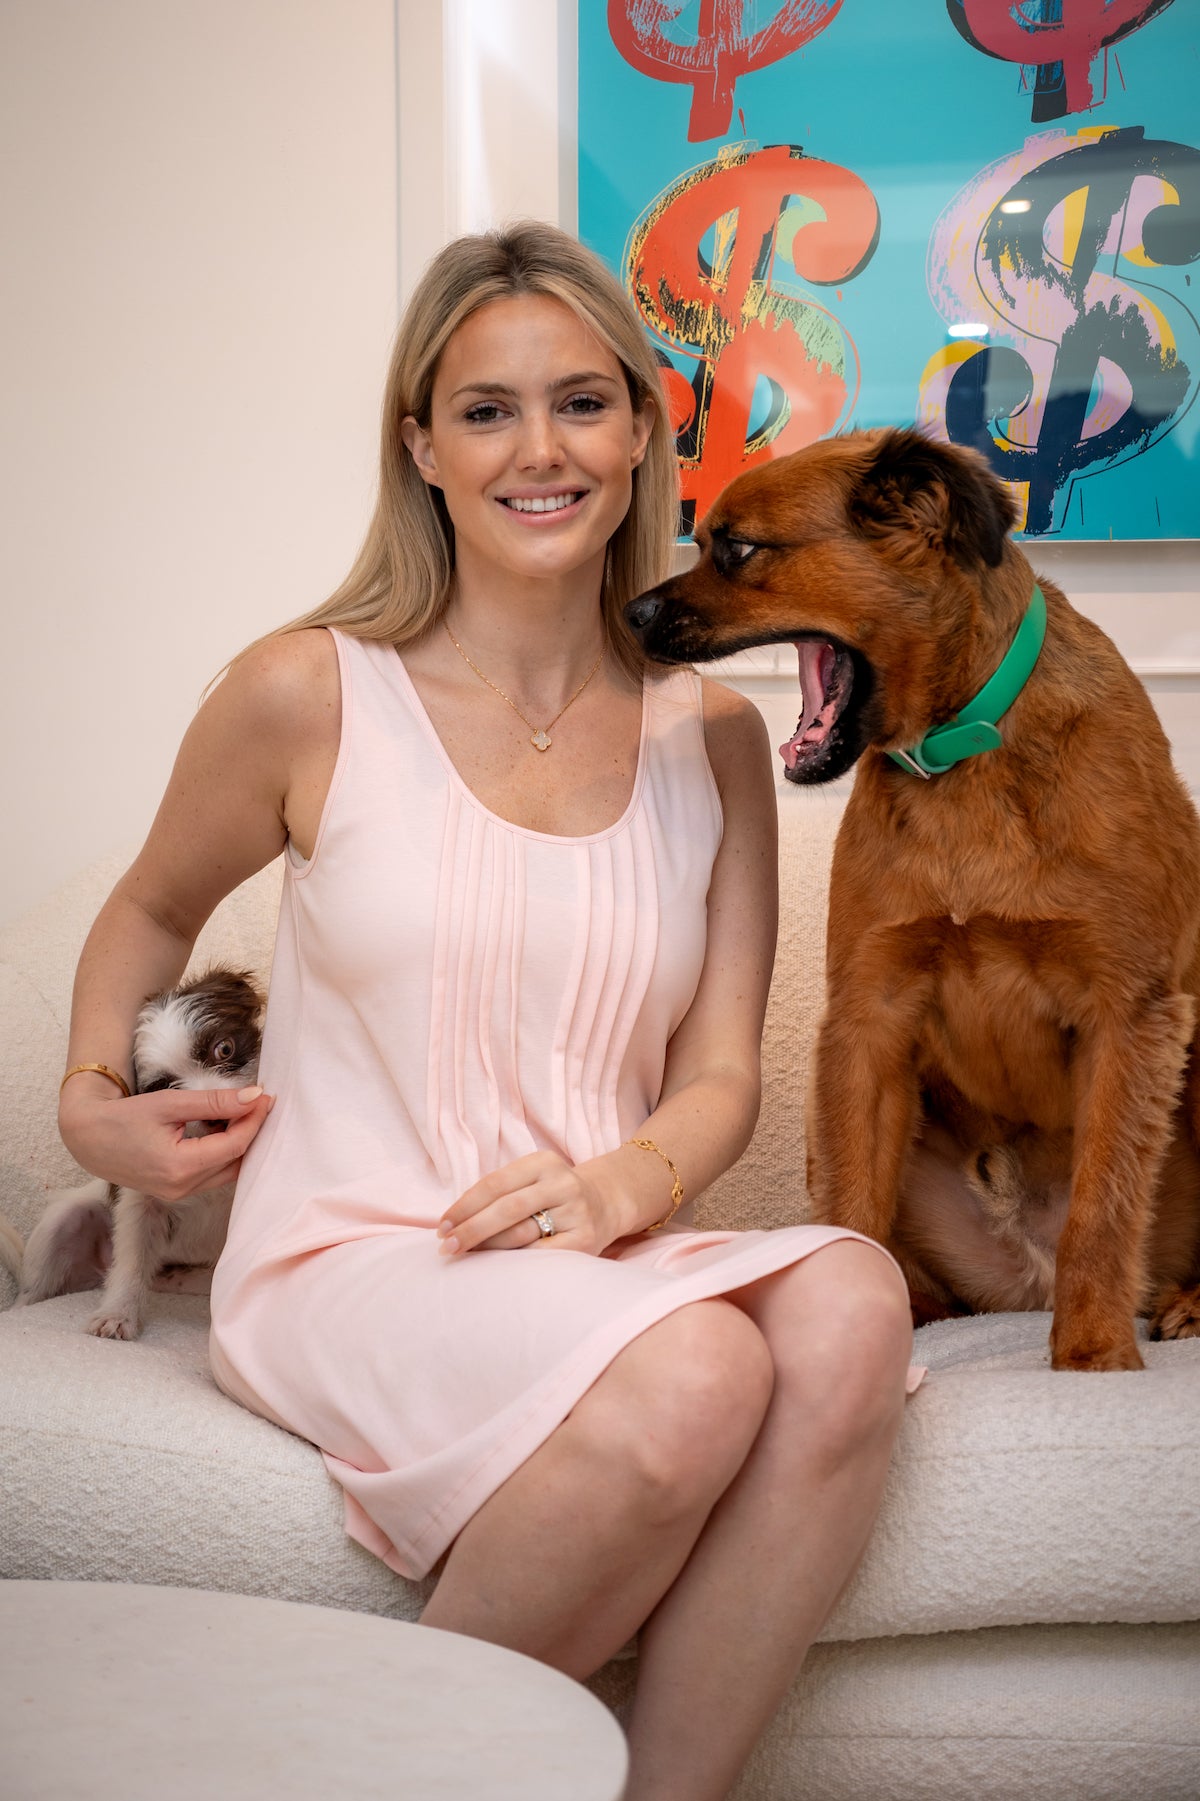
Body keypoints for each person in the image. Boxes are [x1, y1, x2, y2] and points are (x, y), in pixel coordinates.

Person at [57, 221, 917, 1801]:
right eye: (486, 410)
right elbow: (150, 909)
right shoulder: (308, 689)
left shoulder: (714, 735)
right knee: (700, 1373)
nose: (541, 450)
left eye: (583, 402)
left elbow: (720, 1074)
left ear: (643, 429)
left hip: (595, 1245)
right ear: (421, 446)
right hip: (360, 1248)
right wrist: (88, 1102)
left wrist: (620, 1188)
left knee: (856, 1297)